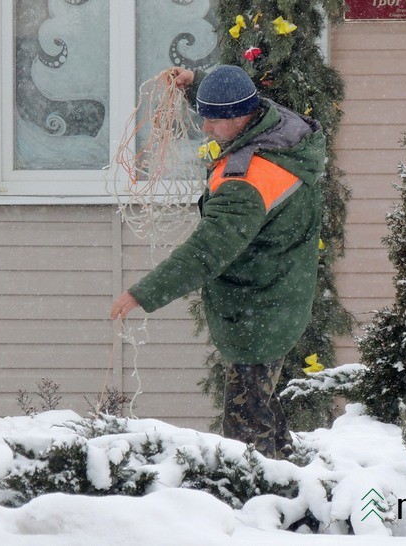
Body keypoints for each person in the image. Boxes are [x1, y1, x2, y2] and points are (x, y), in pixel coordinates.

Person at [110, 65, 325, 459]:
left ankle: (259, 502)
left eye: (212, 118)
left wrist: (144, 293)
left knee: (244, 433)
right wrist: (197, 87)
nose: (205, 128)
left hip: (259, 305)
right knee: (261, 402)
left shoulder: (245, 183)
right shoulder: (279, 129)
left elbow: (206, 251)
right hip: (281, 289)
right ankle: (289, 476)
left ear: (239, 117)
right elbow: (233, 100)